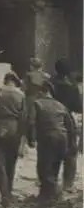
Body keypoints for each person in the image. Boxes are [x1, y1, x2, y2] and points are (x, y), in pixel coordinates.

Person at [26, 80, 75, 200]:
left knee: (44, 167)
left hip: (47, 138)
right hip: (62, 139)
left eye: (38, 92)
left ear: (43, 91)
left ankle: (48, 197)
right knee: (55, 167)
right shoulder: (60, 105)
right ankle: (51, 195)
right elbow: (70, 126)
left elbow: (31, 122)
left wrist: (31, 139)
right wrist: (71, 144)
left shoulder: (37, 104)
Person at [0, 71, 25, 207]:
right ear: (15, 81)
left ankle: (2, 194)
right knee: (11, 160)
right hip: (14, 127)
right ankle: (8, 191)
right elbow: (23, 116)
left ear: (5, 80)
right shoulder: (21, 94)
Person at [50, 58, 82, 191]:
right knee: (70, 153)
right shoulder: (72, 88)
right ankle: (67, 185)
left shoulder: (49, 84)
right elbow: (79, 107)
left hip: (49, 120)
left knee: (50, 153)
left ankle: (50, 184)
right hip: (67, 120)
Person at [19, 57, 50, 156]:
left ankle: (30, 141)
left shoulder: (28, 76)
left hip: (30, 99)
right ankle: (37, 140)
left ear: (32, 66)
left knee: (28, 119)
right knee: (41, 119)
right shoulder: (46, 76)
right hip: (43, 99)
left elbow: (23, 88)